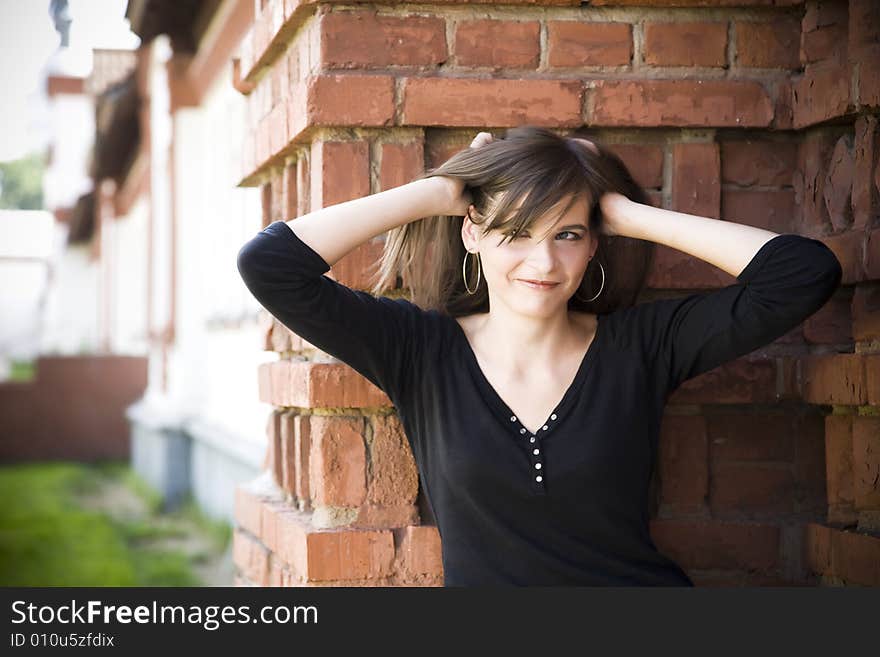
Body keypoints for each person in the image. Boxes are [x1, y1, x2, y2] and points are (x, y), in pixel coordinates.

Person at [237, 126, 842, 586]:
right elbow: (270, 266)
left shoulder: (642, 347)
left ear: (593, 242)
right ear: (471, 232)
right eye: (516, 232)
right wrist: (438, 191)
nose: (544, 264)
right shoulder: (419, 351)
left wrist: (622, 212)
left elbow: (803, 274)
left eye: (567, 235)